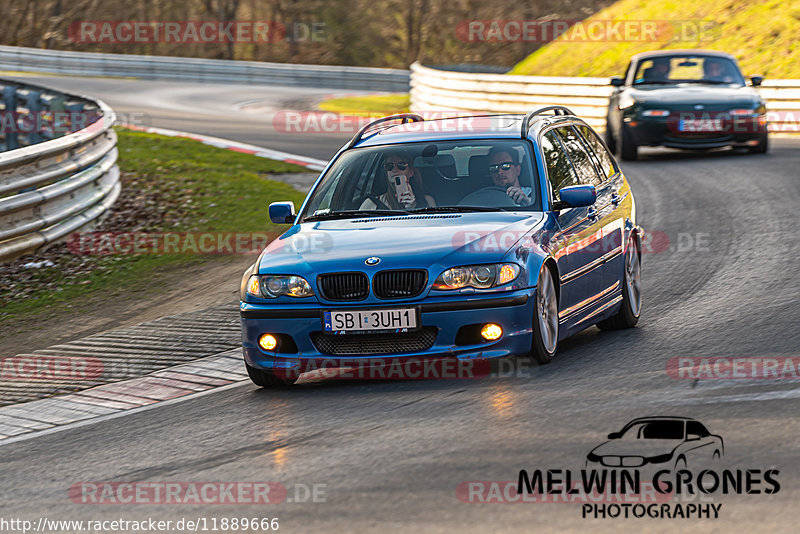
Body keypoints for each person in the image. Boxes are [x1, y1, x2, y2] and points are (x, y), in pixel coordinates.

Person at [360, 151, 435, 210]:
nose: (395, 170)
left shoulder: (427, 202)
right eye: (389, 166)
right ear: (386, 172)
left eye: (401, 165)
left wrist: (413, 208)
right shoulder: (371, 203)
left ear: (411, 172)